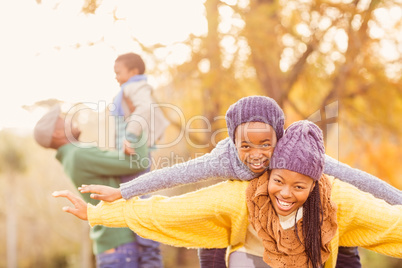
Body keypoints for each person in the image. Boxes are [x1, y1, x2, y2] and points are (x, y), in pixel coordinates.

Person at [79, 95, 402, 268]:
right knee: (209, 240)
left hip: (310, 217)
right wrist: (123, 191)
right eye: (246, 145)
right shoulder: (223, 159)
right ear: (233, 141)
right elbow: (172, 175)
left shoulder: (295, 154)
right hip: (241, 219)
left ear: (280, 136)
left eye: (266, 144)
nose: (257, 155)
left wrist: (398, 200)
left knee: (340, 233)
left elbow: (359, 179)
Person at [33, 105, 163, 268]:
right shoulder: (79, 154)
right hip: (122, 245)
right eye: (64, 120)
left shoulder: (71, 157)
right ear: (57, 133)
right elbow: (138, 163)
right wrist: (137, 129)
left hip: (114, 247)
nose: (70, 120)